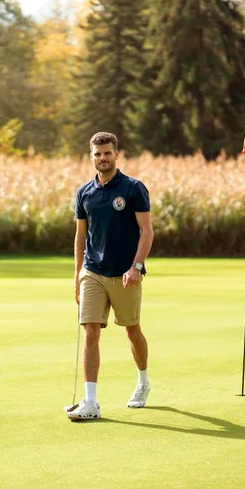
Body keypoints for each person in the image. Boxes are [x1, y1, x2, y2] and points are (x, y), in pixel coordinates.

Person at [67, 132, 154, 421]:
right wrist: (78, 273)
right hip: (93, 271)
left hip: (126, 273)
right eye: (97, 154)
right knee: (90, 331)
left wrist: (137, 266)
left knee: (132, 330)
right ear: (90, 156)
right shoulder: (84, 193)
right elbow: (80, 236)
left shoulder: (133, 189)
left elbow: (147, 230)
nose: (102, 158)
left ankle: (142, 381)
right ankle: (90, 401)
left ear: (117, 154)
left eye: (107, 153)